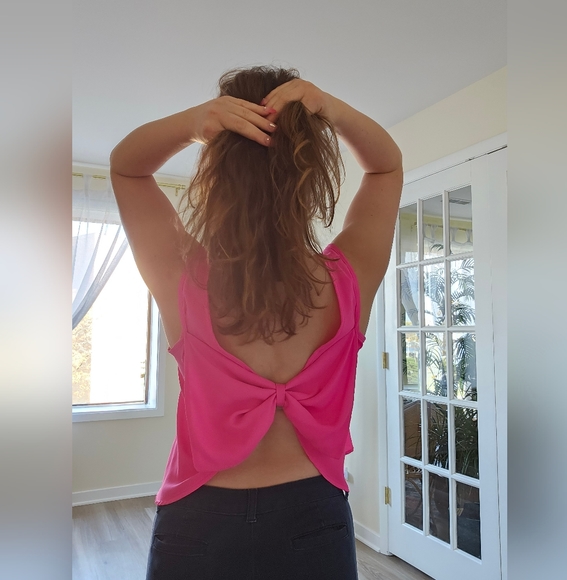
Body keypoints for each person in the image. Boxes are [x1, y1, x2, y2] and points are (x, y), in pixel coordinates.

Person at [110, 66, 402, 580]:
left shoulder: (183, 277)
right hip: (314, 518)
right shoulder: (348, 277)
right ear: (311, 171)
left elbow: (126, 167)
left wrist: (194, 122)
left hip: (198, 520)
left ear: (218, 171)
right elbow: (386, 167)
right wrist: (327, 106)